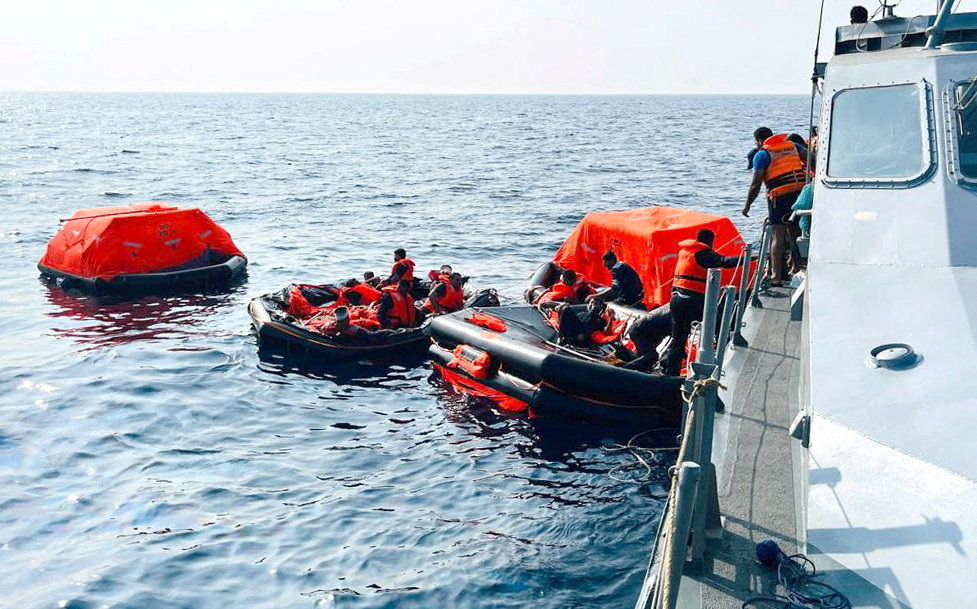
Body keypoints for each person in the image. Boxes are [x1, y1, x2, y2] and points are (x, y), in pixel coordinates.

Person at [663, 230, 743, 376]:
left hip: (676, 299)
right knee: (718, 321)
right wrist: (748, 258)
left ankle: (671, 372)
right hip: (692, 300)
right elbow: (725, 262)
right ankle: (723, 353)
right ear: (710, 241)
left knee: (678, 338)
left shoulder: (686, 251)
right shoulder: (704, 254)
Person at [743, 126, 808, 286]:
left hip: (779, 198)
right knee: (795, 233)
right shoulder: (793, 146)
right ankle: (798, 270)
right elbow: (813, 160)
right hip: (798, 194)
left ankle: (776, 276)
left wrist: (747, 206)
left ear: (759, 141)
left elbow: (755, 185)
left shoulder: (762, 154)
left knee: (777, 236)